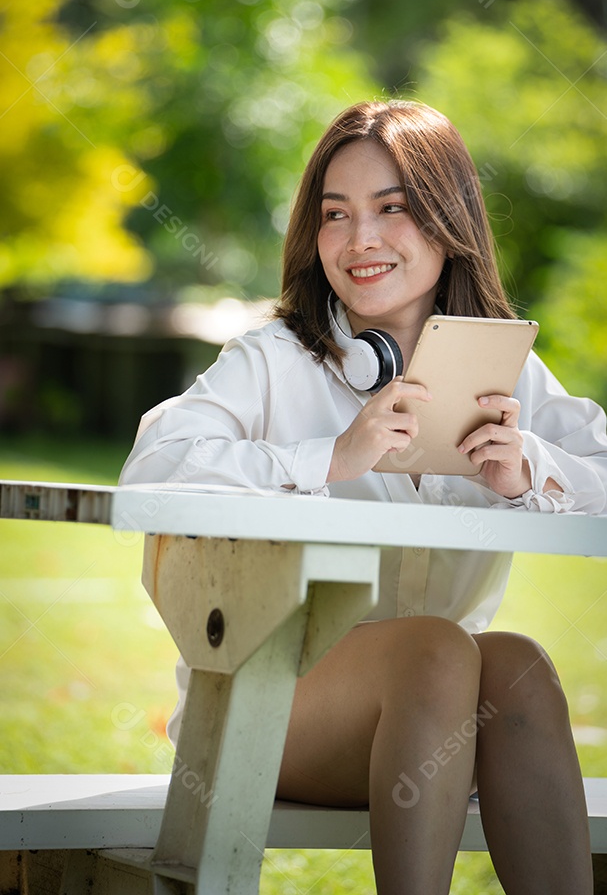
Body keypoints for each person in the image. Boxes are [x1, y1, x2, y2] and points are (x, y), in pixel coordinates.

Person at [120, 100, 607, 894]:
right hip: (269, 718)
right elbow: (153, 466)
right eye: (335, 215)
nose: (360, 240)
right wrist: (330, 457)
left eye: (392, 209)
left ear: (448, 221)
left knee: (516, 664)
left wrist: (534, 471)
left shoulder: (508, 371)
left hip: (446, 729)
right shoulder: (275, 358)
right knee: (435, 647)